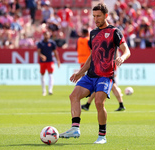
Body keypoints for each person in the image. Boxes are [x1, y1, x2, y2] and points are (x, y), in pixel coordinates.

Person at [58, 3, 131, 144]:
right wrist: (80, 72)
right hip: (91, 75)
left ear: (106, 16)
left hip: (105, 76)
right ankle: (75, 128)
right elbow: (92, 56)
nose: (96, 19)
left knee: (98, 102)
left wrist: (122, 57)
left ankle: (102, 136)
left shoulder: (115, 31)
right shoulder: (93, 33)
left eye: (98, 16)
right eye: (94, 16)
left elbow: (126, 50)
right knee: (73, 96)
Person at [37, 31, 61, 96]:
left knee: (50, 75)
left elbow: (55, 52)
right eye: (45, 35)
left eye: (47, 35)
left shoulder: (52, 43)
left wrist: (58, 61)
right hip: (42, 62)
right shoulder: (40, 43)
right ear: (43, 35)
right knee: (42, 75)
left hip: (50, 61)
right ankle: (44, 91)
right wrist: (42, 56)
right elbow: (38, 52)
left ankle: (50, 90)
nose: (46, 36)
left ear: (49, 35)